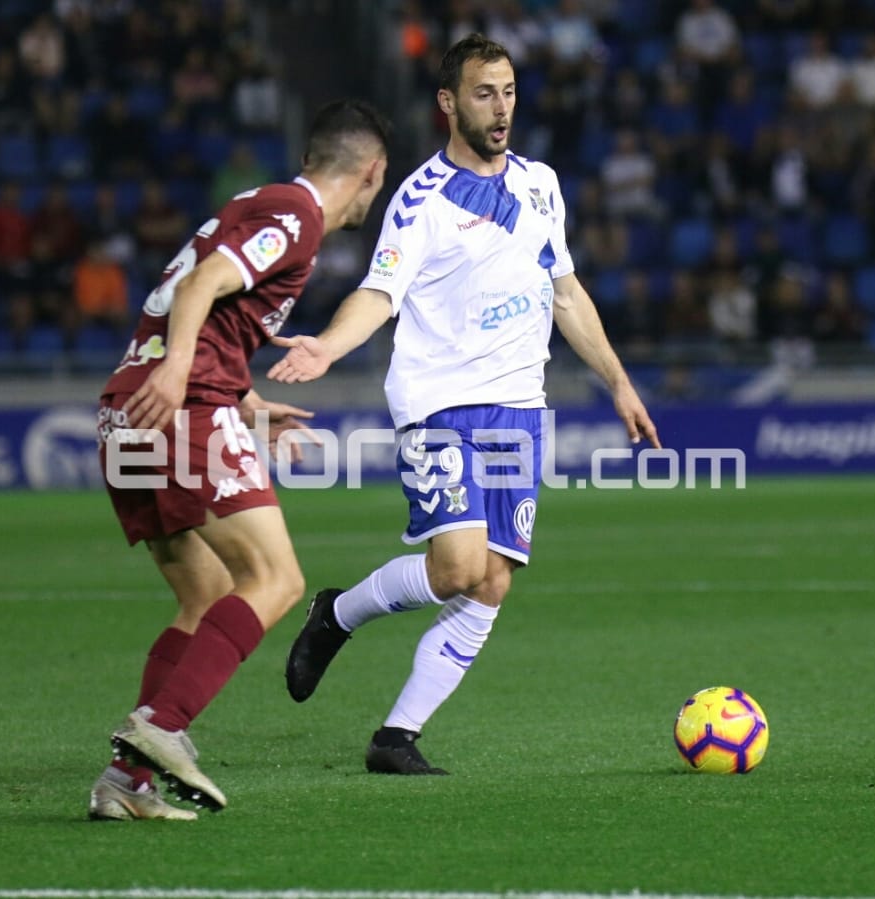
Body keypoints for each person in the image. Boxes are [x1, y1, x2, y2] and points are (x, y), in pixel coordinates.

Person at [270, 34, 659, 775]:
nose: (501, 107)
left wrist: (617, 380)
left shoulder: (541, 184)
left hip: (519, 408)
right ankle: (338, 614)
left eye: (509, 91)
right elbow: (379, 294)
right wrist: (326, 345)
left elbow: (566, 294)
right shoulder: (422, 201)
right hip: (439, 404)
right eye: (485, 93)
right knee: (454, 568)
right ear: (448, 103)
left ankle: (396, 737)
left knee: (493, 579)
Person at [89, 99, 390, 821]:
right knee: (277, 578)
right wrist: (183, 374)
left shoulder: (258, 204)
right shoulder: (297, 216)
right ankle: (163, 727)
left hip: (129, 408)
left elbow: (206, 307)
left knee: (208, 593)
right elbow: (199, 288)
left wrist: (246, 400)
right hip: (177, 405)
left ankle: (126, 781)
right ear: (373, 174)